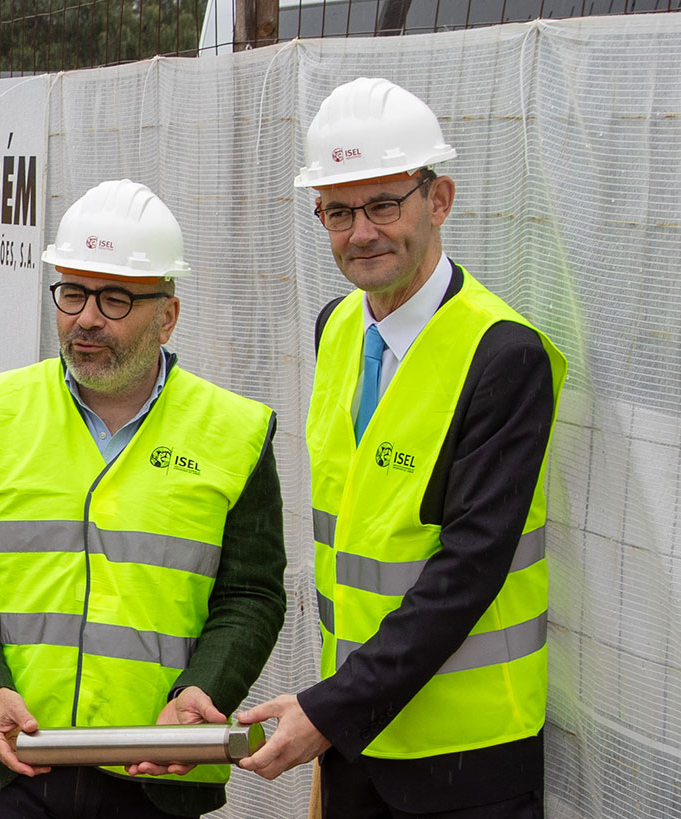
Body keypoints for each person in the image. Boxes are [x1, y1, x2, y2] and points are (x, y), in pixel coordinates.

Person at [236, 77, 565, 819]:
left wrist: (326, 709)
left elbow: (467, 572)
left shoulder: (504, 355)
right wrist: (339, 714)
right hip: (359, 742)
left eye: (384, 204)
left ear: (438, 199)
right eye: (339, 211)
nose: (362, 232)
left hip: (466, 756)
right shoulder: (338, 328)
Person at [0, 179, 287, 818]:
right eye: (72, 292)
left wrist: (205, 688)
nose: (86, 317)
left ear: (167, 315)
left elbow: (251, 593)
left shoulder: (237, 432)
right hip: (13, 759)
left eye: (115, 298)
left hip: (156, 766)